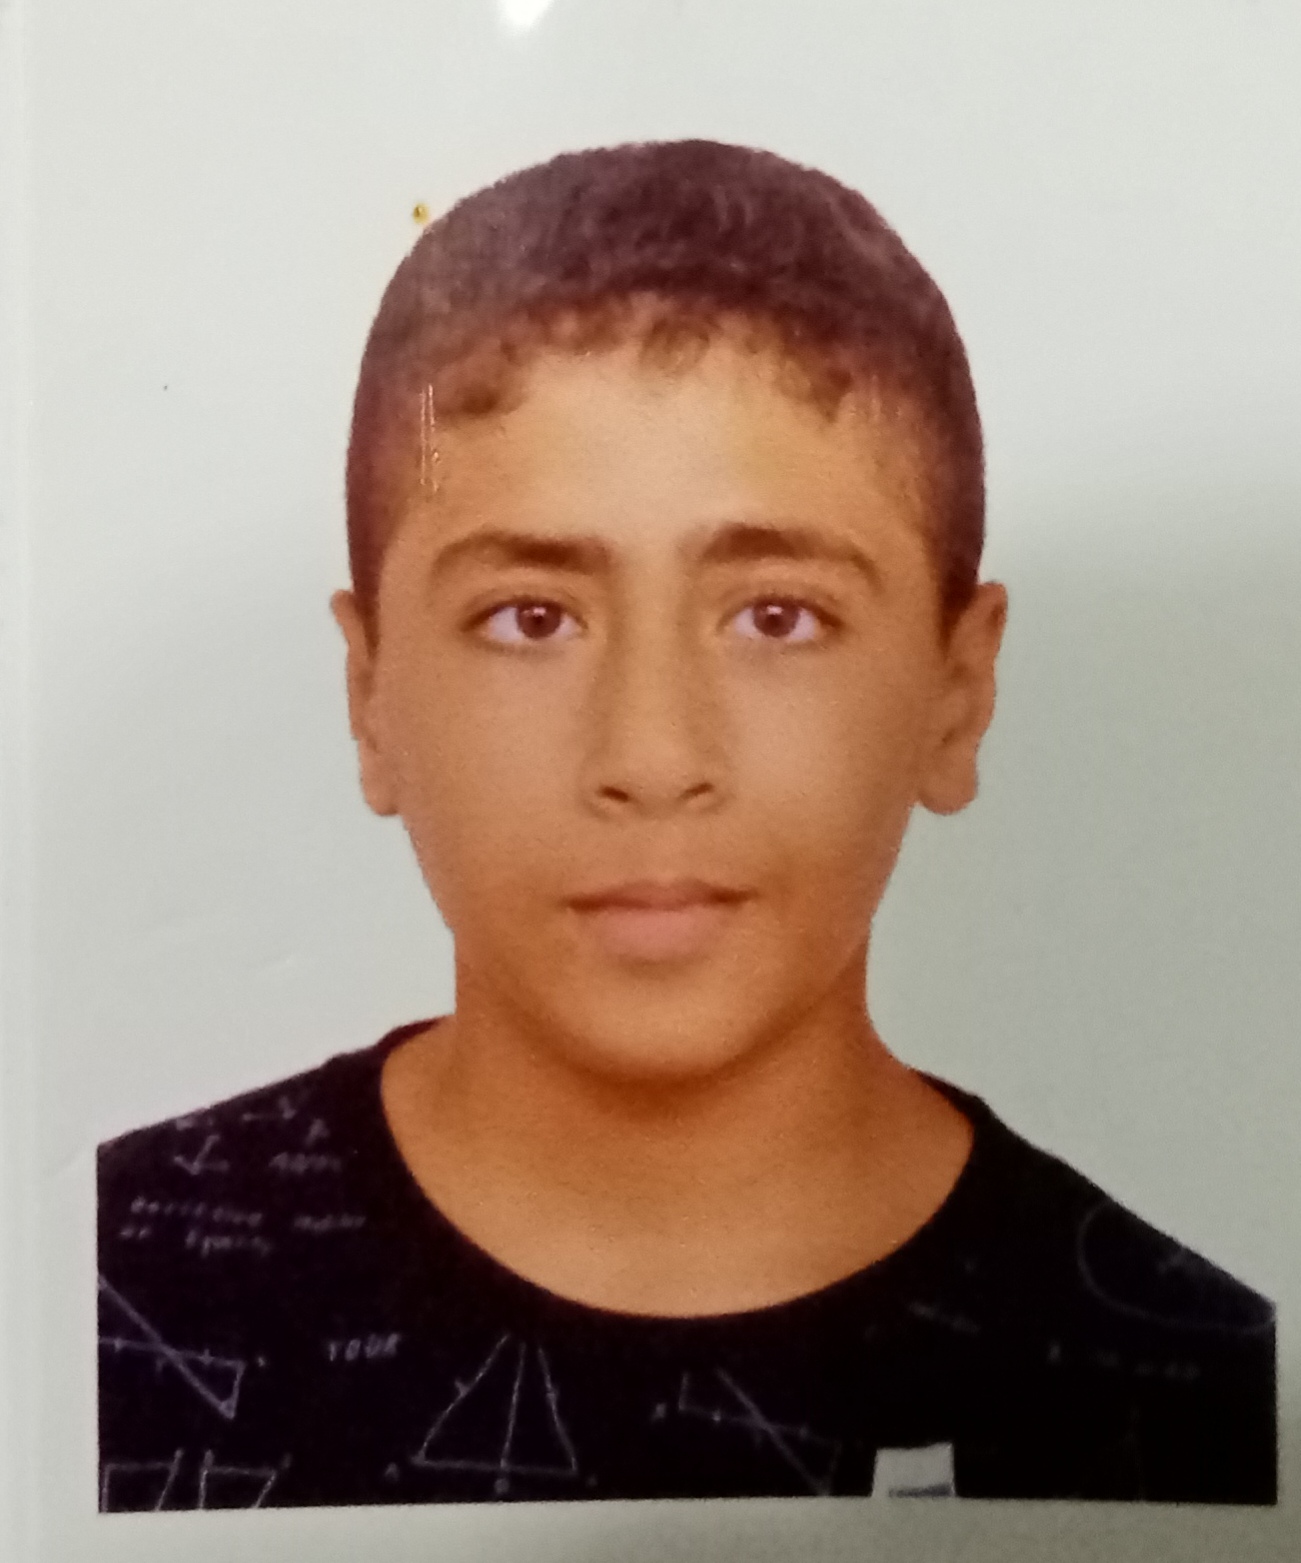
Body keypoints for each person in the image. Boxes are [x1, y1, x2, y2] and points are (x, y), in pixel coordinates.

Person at [96, 139, 1275, 1511]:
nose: (652, 759)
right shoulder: (99, 1297)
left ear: (957, 694)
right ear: (371, 697)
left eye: (776, 617)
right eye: (530, 618)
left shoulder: (1198, 1392)